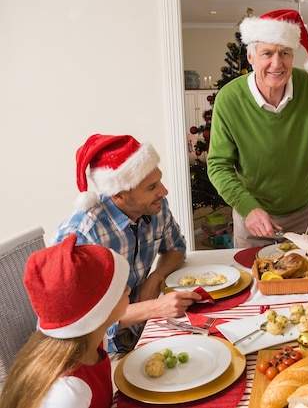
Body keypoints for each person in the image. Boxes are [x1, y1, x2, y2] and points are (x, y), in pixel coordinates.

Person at [207, 9, 308, 248]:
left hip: (304, 214)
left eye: (285, 53)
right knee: (253, 280)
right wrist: (248, 208)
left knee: (306, 281)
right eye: (267, 53)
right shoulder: (229, 99)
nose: (276, 63)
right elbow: (218, 166)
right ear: (251, 57)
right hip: (253, 216)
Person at [52, 134, 199, 354]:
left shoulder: (155, 206)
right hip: (100, 350)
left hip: (143, 327)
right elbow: (77, 326)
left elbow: (176, 248)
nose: (164, 191)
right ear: (118, 194)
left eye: (159, 181)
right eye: (151, 187)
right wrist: (152, 308)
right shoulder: (82, 237)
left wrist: (155, 278)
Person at [0, 235, 130, 408]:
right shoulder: (67, 394)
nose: (128, 289)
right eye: (119, 289)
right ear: (98, 313)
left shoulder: (96, 340)